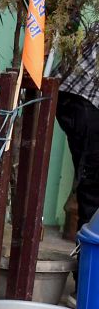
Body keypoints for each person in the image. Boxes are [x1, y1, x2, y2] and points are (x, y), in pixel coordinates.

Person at [56, 25, 99, 227]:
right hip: (81, 100)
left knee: (91, 179)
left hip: (73, 98)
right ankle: (88, 252)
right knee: (92, 181)